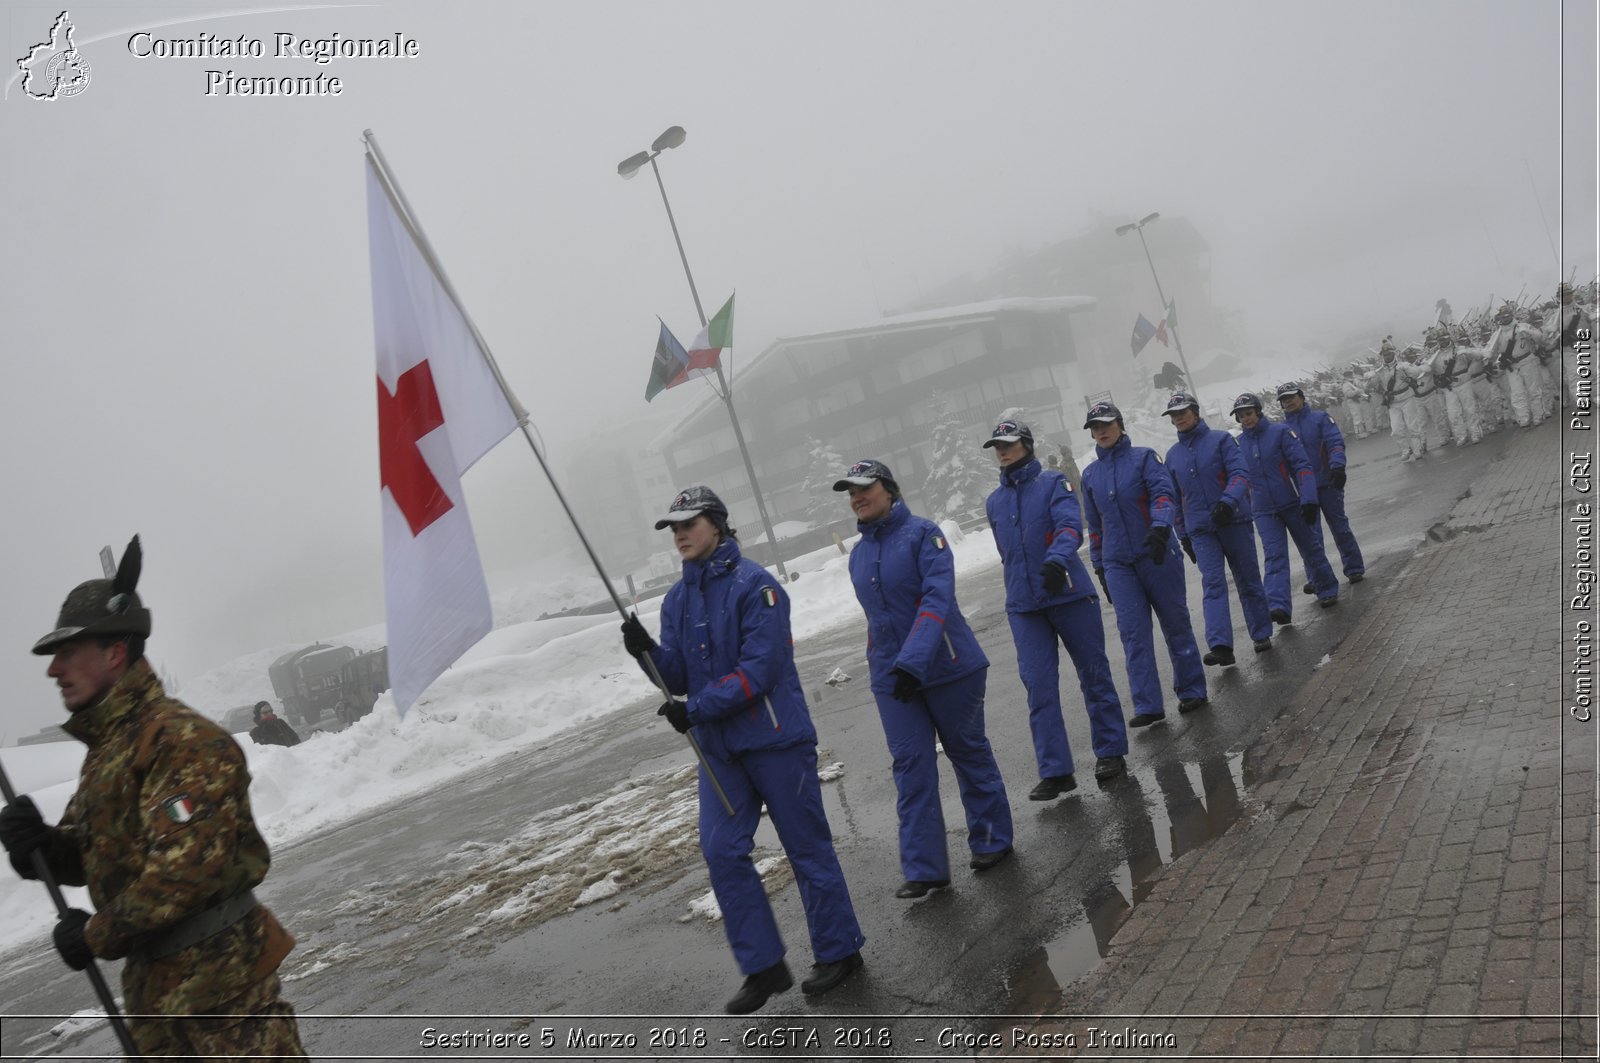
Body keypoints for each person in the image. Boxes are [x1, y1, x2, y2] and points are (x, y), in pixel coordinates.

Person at [0, 537, 307, 1059]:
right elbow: (98, 855)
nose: (53, 670)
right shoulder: (111, 751)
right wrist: (41, 848)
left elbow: (184, 872)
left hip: (221, 1002)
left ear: (115, 651)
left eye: (68, 652)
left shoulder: (181, 740)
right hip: (159, 1000)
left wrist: (95, 935)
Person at [619, 487, 864, 1014]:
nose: (680, 534)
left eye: (689, 524)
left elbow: (761, 669)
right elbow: (679, 676)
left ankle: (840, 951)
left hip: (775, 740)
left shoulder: (757, 586)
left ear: (718, 525)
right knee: (722, 851)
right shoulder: (677, 599)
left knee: (806, 848)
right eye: (673, 527)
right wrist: (647, 655)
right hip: (721, 752)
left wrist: (698, 707)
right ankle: (763, 964)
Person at [834, 460, 1014, 899]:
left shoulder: (924, 535)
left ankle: (992, 840)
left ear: (890, 490)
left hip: (949, 667)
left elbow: (936, 599)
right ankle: (925, 867)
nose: (857, 498)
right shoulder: (858, 555)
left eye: (865, 489)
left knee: (968, 752)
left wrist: (913, 661)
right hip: (893, 680)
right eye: (851, 492)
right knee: (910, 767)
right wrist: (889, 666)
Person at [983, 419, 1128, 796]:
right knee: (1038, 684)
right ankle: (1056, 770)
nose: (1002, 450)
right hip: (1024, 606)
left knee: (1093, 673)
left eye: (1009, 443)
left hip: (1068, 594)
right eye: (997, 445)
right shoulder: (994, 501)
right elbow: (1004, 552)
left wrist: (1056, 560)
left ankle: (1110, 750)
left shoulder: (1052, 483)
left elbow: (1069, 526)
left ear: (1026, 445)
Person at [1077, 402, 1208, 726]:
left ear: (1120, 425)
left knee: (1175, 623)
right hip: (1119, 563)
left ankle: (1191, 689)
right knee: (1132, 633)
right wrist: (1099, 566)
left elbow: (1164, 495)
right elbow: (1094, 526)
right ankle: (1147, 703)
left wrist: (1162, 526)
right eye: (1095, 427)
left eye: (1106, 424)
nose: (1101, 431)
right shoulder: (1090, 474)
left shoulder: (1145, 458)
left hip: (1157, 551)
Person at [1162, 393, 1274, 664]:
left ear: (1195, 412)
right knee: (1212, 583)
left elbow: (1239, 474)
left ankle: (1261, 633)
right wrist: (1183, 535)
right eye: (1174, 414)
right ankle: (1221, 645)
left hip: (1233, 520)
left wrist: (1228, 502)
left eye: (1183, 412)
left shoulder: (1222, 440)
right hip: (1201, 530)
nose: (1179, 418)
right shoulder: (1172, 455)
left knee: (1247, 578)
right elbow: (1174, 499)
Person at [1229, 393, 1338, 618]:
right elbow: (1238, 478)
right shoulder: (1238, 445)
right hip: (1264, 510)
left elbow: (1302, 466)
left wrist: (1308, 499)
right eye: (1241, 416)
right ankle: (1278, 605)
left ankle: (1326, 588)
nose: (1245, 419)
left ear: (1258, 412)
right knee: (1274, 556)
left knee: (1311, 548)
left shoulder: (1280, 433)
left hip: (1292, 503)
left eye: (1248, 413)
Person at [1278, 381, 1366, 585]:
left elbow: (1335, 443)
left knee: (1340, 528)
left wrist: (1337, 467)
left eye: (1291, 397)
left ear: (1301, 397)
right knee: (1310, 538)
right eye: (1284, 400)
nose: (1288, 401)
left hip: (1327, 484)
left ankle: (1354, 568)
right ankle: (1316, 578)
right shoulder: (1281, 430)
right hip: (1303, 492)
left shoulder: (1320, 418)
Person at [1372, 340, 1422, 462]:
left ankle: (1417, 449)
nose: (1387, 356)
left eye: (1389, 353)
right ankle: (1405, 450)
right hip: (1393, 402)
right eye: (1385, 354)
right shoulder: (1380, 370)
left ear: (1393, 353)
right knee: (1395, 430)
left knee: (1412, 425)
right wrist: (1372, 376)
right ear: (1382, 356)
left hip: (1407, 398)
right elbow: (1373, 386)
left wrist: (1406, 368)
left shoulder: (1402, 365)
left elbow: (1417, 373)